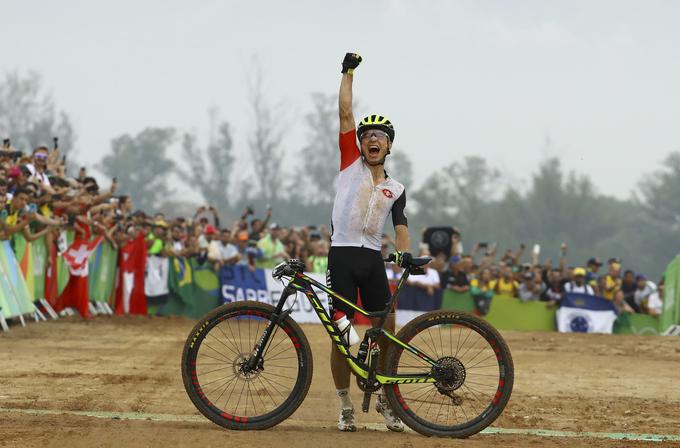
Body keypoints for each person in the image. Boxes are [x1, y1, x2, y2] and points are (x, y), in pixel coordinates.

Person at [329, 52, 411, 433]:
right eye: (367, 135)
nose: (371, 138)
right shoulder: (350, 165)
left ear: (389, 146)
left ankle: (387, 398)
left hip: (372, 260)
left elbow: (401, 224)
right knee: (340, 335)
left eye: (379, 136)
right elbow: (346, 113)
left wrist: (403, 250)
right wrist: (347, 73)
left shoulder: (396, 188)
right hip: (342, 255)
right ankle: (345, 404)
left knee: (387, 329)